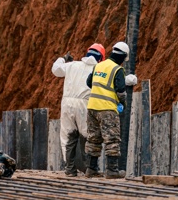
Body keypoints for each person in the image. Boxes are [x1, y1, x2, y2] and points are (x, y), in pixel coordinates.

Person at [84, 41, 138, 179]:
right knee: (112, 139)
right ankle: (112, 171)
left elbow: (89, 82)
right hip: (107, 109)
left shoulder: (98, 65)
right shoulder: (117, 69)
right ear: (123, 57)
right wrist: (123, 104)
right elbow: (121, 91)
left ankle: (91, 169)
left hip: (92, 108)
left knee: (93, 139)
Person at [51, 43, 105, 177]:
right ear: (101, 58)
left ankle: (70, 169)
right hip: (85, 104)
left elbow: (56, 69)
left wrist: (63, 59)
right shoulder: (98, 68)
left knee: (68, 137)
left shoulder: (72, 65)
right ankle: (90, 168)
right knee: (87, 136)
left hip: (67, 104)